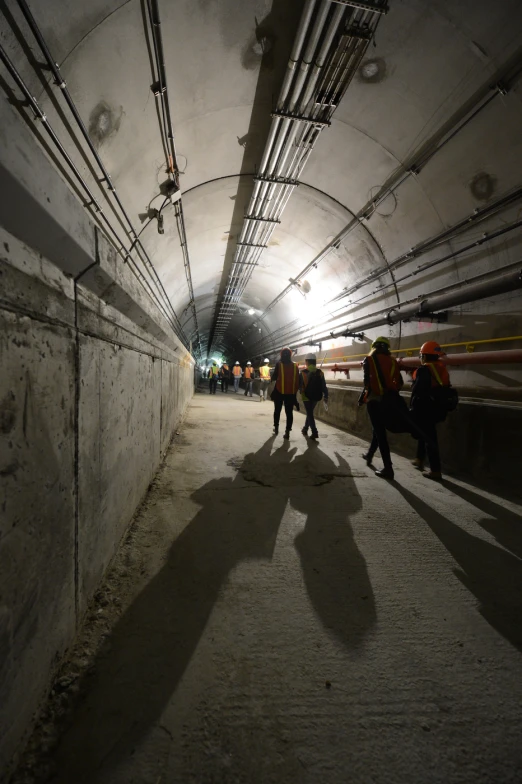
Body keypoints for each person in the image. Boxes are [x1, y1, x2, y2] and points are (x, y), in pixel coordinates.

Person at [358, 336, 403, 480]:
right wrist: (390, 392)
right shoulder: (393, 362)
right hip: (389, 400)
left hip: (374, 400)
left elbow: (367, 383)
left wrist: (363, 398)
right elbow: (399, 382)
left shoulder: (369, 360)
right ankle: (370, 455)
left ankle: (388, 468)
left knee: (380, 432)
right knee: (378, 429)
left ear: (375, 347)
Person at [410, 341, 451, 482]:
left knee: (429, 438)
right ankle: (419, 458)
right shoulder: (442, 369)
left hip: (425, 409)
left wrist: (413, 408)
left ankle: (435, 470)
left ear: (425, 356)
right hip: (439, 408)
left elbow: (417, 392)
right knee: (426, 433)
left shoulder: (424, 370)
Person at [271, 347, 300, 439]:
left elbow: (274, 377)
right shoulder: (295, 366)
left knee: (277, 410)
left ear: (281, 355)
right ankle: (287, 432)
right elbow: (297, 381)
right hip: (291, 393)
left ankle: (276, 427)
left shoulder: (279, 364)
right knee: (289, 413)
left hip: (279, 392)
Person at [299, 354, 328, 440]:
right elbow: (324, 386)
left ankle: (314, 432)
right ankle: (305, 428)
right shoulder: (320, 372)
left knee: (309, 413)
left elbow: (299, 386)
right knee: (310, 412)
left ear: (307, 361)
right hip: (316, 396)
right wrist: (326, 396)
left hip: (306, 396)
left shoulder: (303, 373)